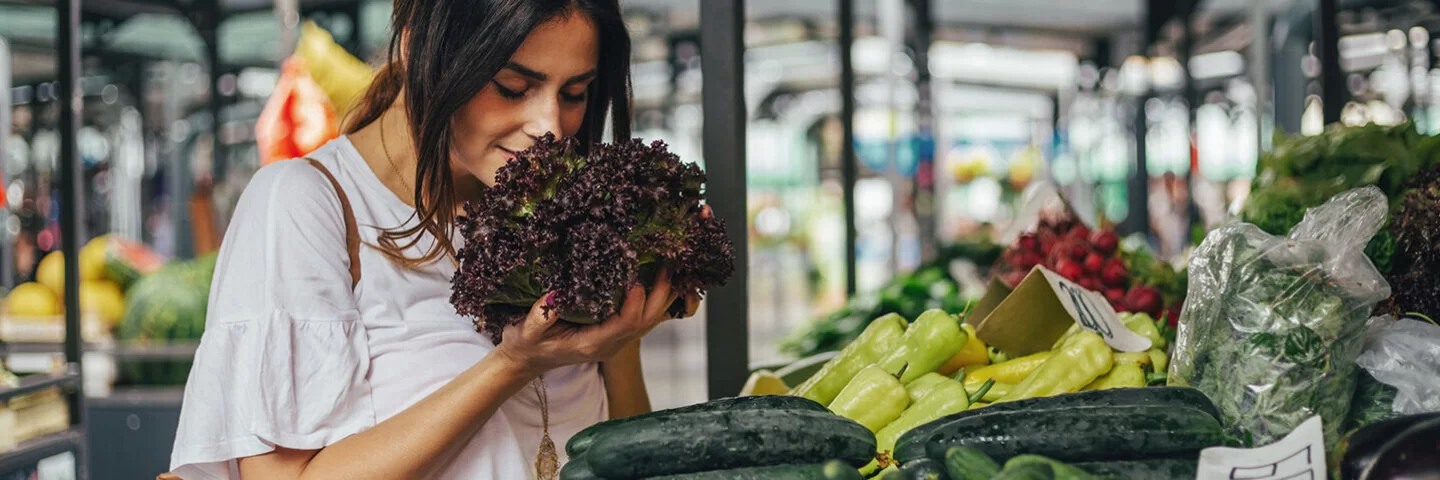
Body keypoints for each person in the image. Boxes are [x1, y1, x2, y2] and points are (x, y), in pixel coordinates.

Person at [168, 1, 695, 478]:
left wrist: (623, 325)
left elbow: (623, 456)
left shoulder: (555, 209)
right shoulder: (308, 204)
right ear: (417, 45)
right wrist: (513, 364)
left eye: (574, 93)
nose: (550, 126)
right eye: (513, 87)